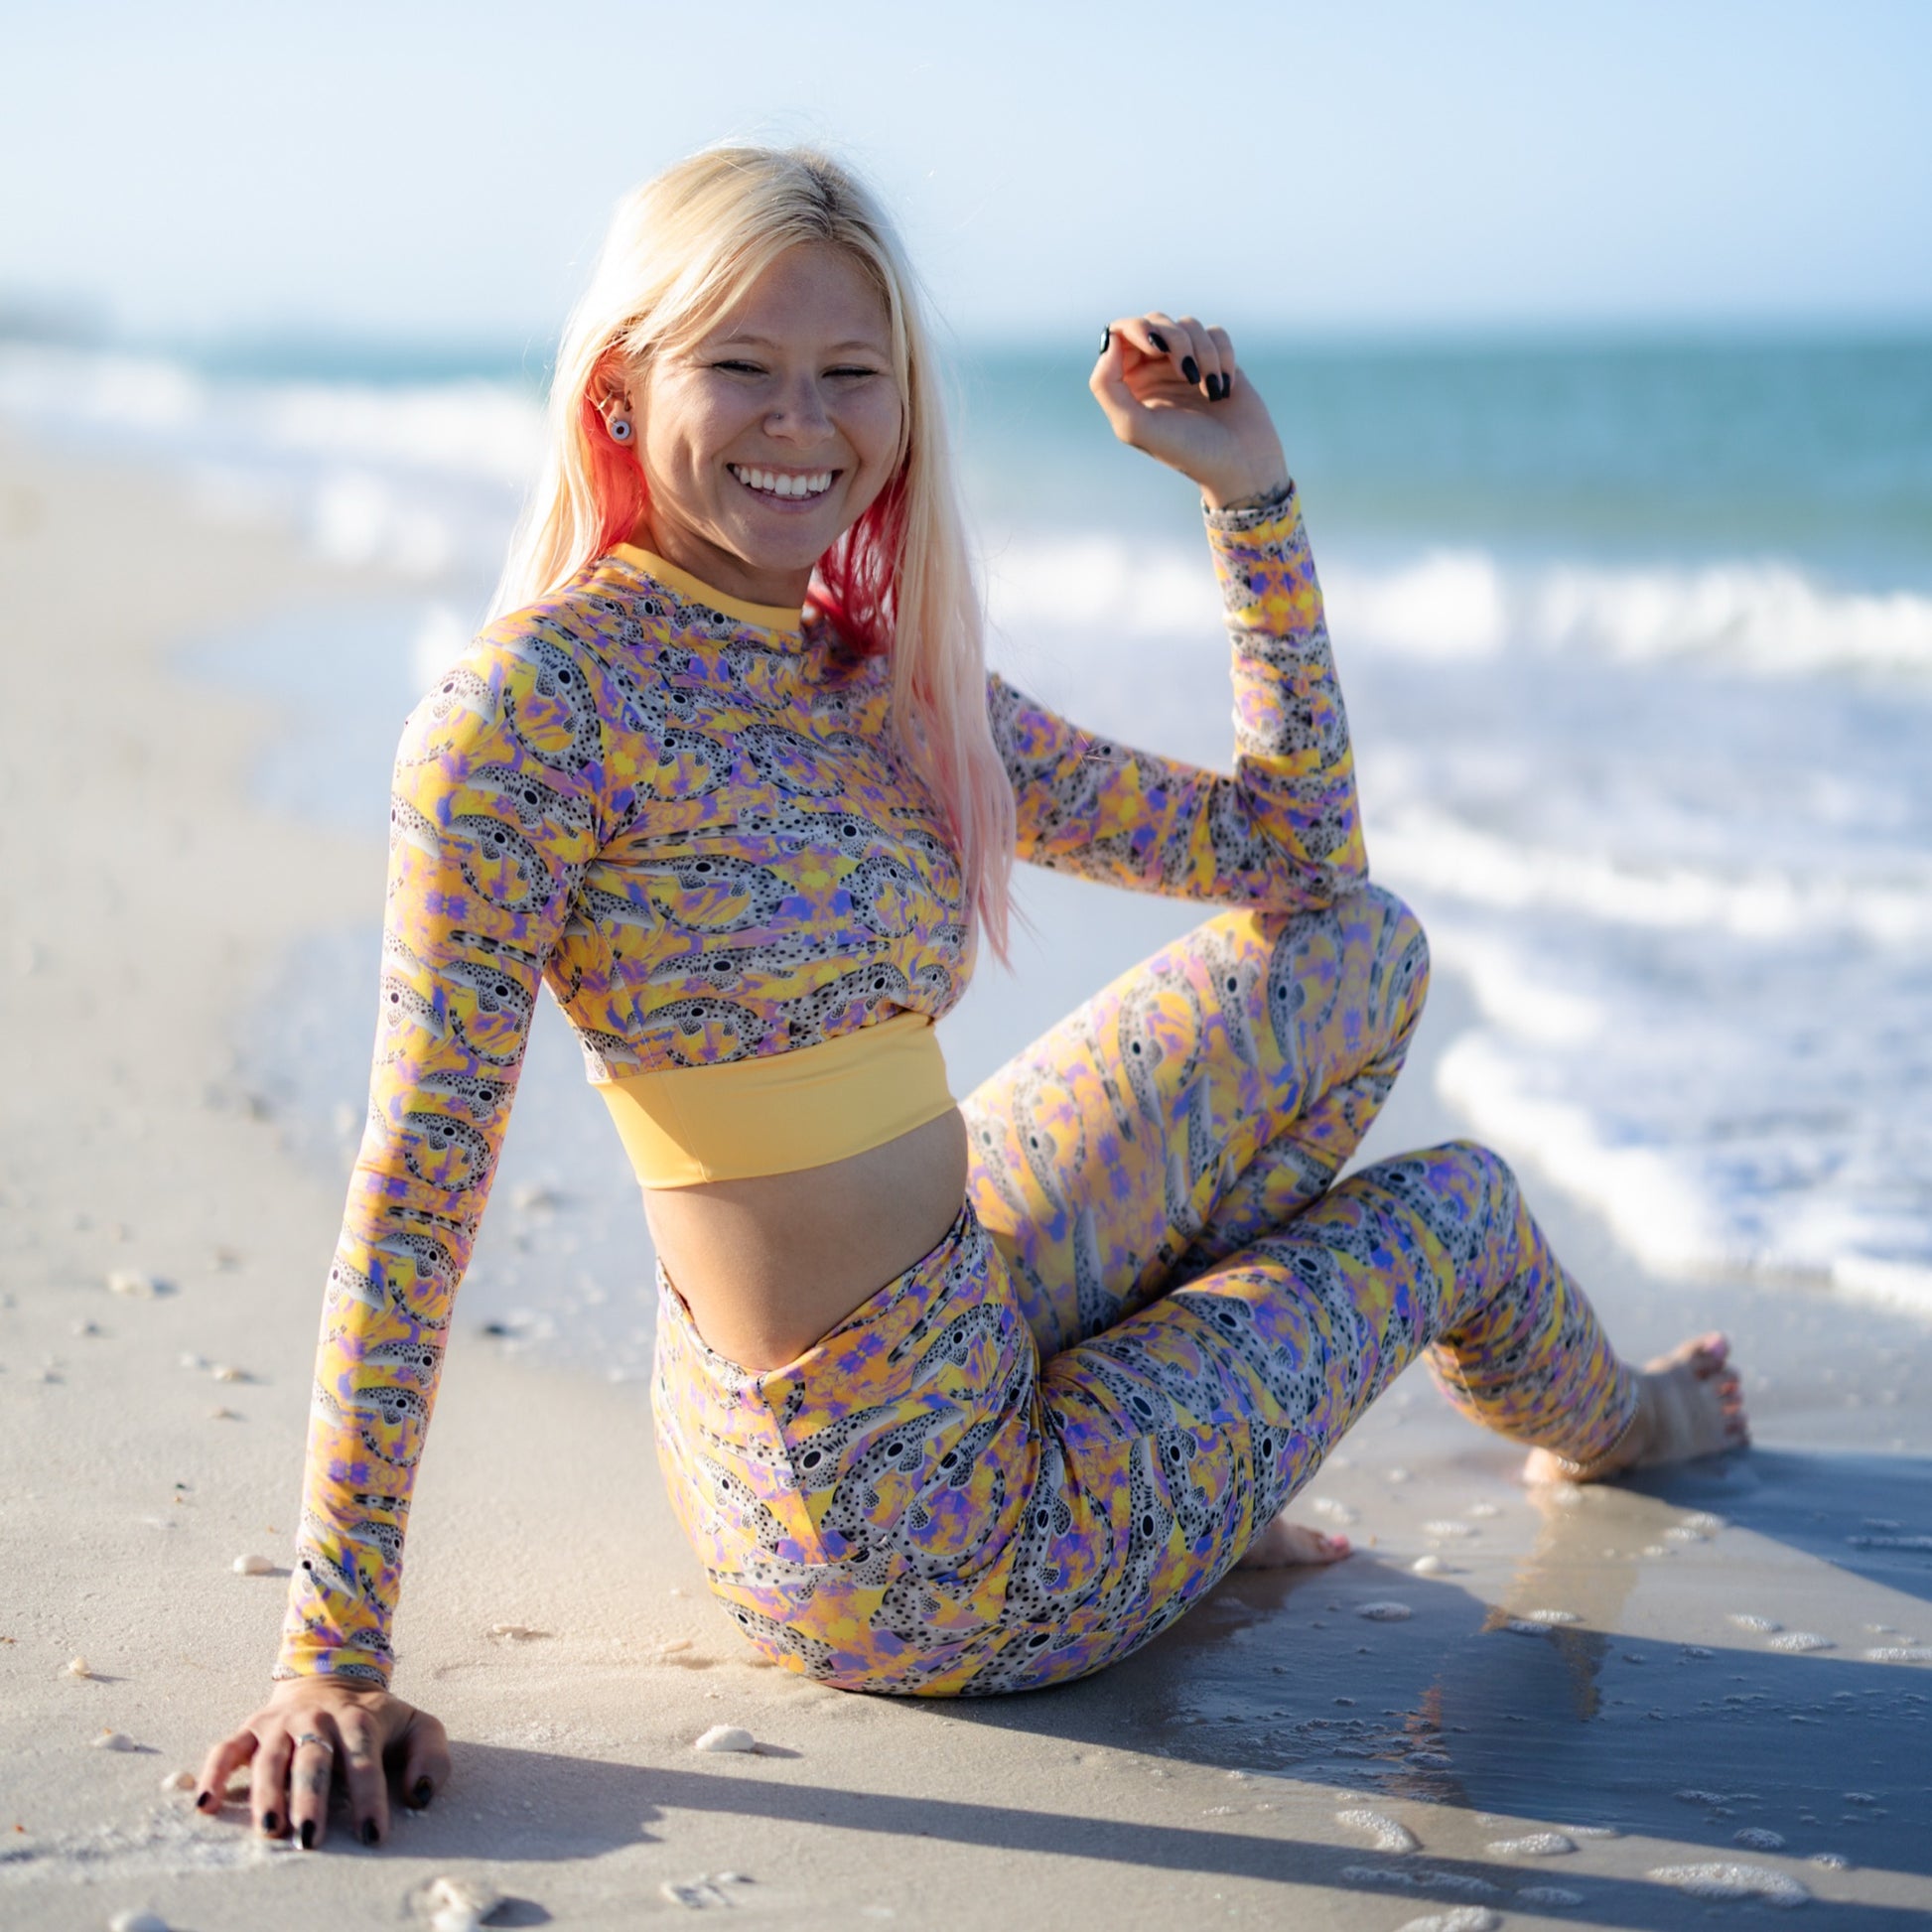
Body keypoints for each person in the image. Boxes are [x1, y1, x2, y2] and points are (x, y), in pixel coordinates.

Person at [197, 146, 1747, 1851]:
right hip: (930, 1544)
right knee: (1457, 1208)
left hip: (970, 1311)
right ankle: (1626, 1424)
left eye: (851, 375)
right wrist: (327, 1647)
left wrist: (1247, 496)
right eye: (743, 366)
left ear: (906, 410)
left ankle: (1215, 1444)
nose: (804, 423)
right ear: (622, 388)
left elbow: (1299, 859)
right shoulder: (525, 718)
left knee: (1357, 951)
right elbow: (416, 1188)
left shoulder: (884, 684)